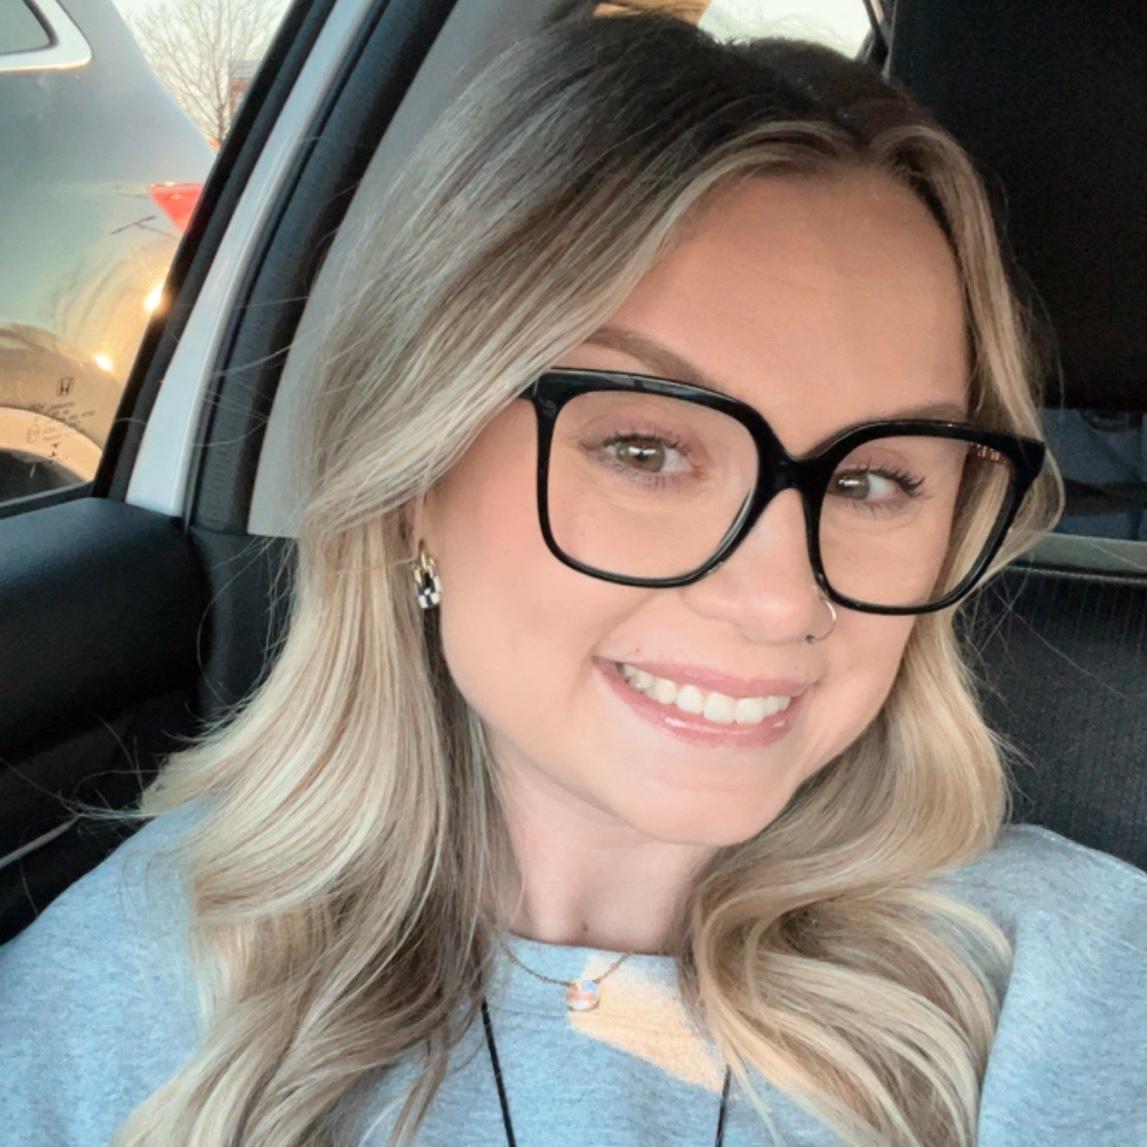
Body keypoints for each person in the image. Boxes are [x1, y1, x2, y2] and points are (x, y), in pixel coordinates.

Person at [2, 8, 1144, 1147]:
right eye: (645, 450)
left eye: (873, 480)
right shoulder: (130, 996)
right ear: (415, 476)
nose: (781, 600)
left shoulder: (1071, 992)